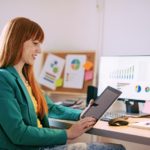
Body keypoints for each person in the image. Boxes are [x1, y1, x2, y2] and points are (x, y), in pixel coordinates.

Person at [0, 17, 126, 150]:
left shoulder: (27, 78)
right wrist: (69, 133)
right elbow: (19, 133)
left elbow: (51, 108)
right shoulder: (3, 79)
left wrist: (82, 114)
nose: (39, 50)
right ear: (18, 42)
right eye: (35, 43)